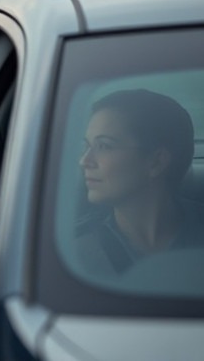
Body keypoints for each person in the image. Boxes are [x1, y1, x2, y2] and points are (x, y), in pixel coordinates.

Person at [75, 89, 204, 274]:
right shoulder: (73, 254)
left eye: (104, 146)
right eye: (87, 146)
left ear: (156, 162)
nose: (84, 161)